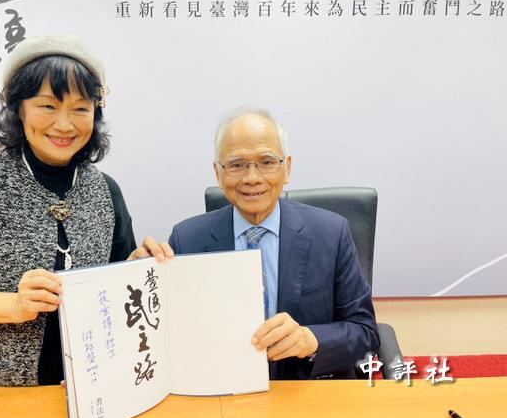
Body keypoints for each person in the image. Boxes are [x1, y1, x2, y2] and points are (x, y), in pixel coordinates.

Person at [0, 34, 147, 387]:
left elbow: (114, 283)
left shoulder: (105, 190)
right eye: (48, 106)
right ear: (17, 109)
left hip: (89, 383)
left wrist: (137, 268)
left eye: (81, 108)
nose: (64, 125)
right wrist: (15, 305)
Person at [135, 106, 379, 379]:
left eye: (267, 162)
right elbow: (166, 337)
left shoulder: (332, 234)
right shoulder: (187, 240)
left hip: (307, 390)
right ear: (218, 173)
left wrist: (312, 340)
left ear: (287, 168)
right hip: (224, 388)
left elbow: (366, 334)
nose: (252, 178)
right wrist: (137, 281)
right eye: (236, 165)